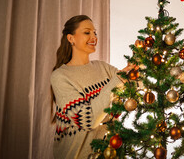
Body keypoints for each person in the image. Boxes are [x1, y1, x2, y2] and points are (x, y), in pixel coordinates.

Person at [50, 15, 133, 159]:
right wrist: (116, 82)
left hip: (111, 154)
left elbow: (133, 86)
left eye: (95, 33)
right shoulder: (60, 76)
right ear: (71, 38)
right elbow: (88, 120)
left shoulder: (102, 67)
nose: (94, 37)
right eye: (87, 32)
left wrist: (141, 60)